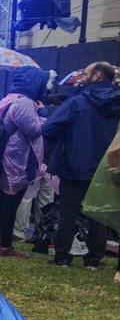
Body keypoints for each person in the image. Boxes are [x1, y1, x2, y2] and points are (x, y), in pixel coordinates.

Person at [42, 61, 120, 269]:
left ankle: (62, 257)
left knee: (68, 212)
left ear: (96, 75)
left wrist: (65, 143)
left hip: (74, 165)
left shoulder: (77, 103)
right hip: (107, 169)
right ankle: (94, 259)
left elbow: (49, 128)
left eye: (86, 73)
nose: (82, 77)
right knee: (99, 213)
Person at [0, 67, 51, 257]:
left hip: (3, 156)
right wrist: (44, 112)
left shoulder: (7, 100)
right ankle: (5, 246)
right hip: (16, 159)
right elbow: (35, 129)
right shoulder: (24, 103)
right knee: (10, 201)